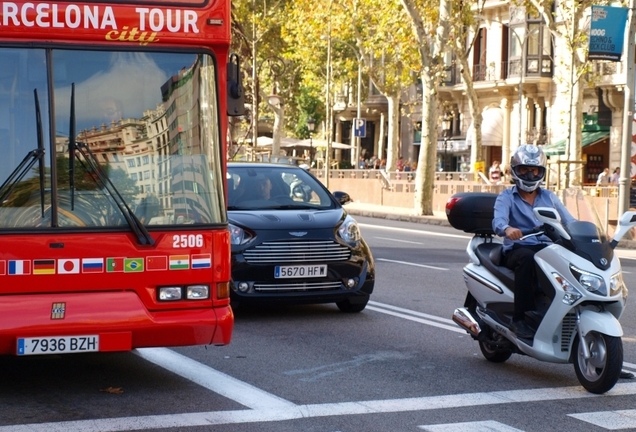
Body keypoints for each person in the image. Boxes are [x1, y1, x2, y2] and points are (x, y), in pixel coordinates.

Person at [492, 145, 576, 339]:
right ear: (515, 171)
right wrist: (508, 229)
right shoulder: (506, 197)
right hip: (518, 248)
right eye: (524, 170)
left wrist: (586, 233)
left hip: (547, 248)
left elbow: (569, 221)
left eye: (534, 170)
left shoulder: (549, 197)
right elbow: (498, 221)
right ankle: (519, 319)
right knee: (528, 259)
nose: (530, 175)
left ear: (541, 172)